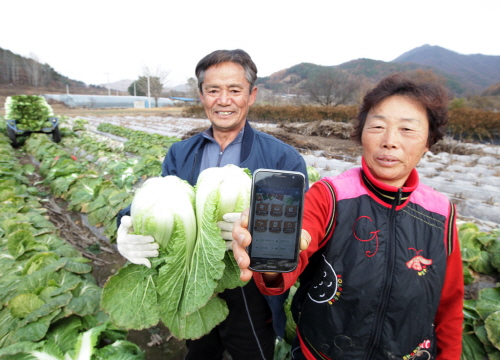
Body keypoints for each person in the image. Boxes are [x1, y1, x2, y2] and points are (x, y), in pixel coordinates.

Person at [232, 74, 464, 360]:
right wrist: (269, 258)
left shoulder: (441, 212)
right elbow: (293, 255)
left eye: (407, 129)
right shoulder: (330, 195)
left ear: (429, 141)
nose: (389, 141)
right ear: (361, 133)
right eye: (377, 126)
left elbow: (449, 304)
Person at [116, 49, 308, 360]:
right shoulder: (180, 153)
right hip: (191, 280)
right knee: (199, 350)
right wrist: (124, 225)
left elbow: (295, 232)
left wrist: (258, 231)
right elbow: (160, 200)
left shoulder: (282, 159)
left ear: (252, 95)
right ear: (202, 95)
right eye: (213, 90)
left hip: (250, 288)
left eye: (235, 90)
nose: (224, 100)